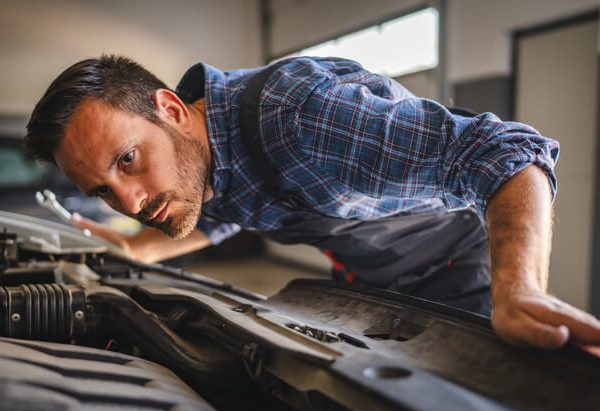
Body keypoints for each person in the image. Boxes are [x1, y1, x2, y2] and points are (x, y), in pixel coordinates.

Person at [24, 55, 600, 350]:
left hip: (461, 274)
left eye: (127, 160)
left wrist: (519, 288)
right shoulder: (196, 158)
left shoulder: (301, 120)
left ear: (172, 109)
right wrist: (140, 248)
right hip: (370, 286)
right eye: (101, 190)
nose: (128, 198)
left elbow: (507, 152)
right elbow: (223, 216)